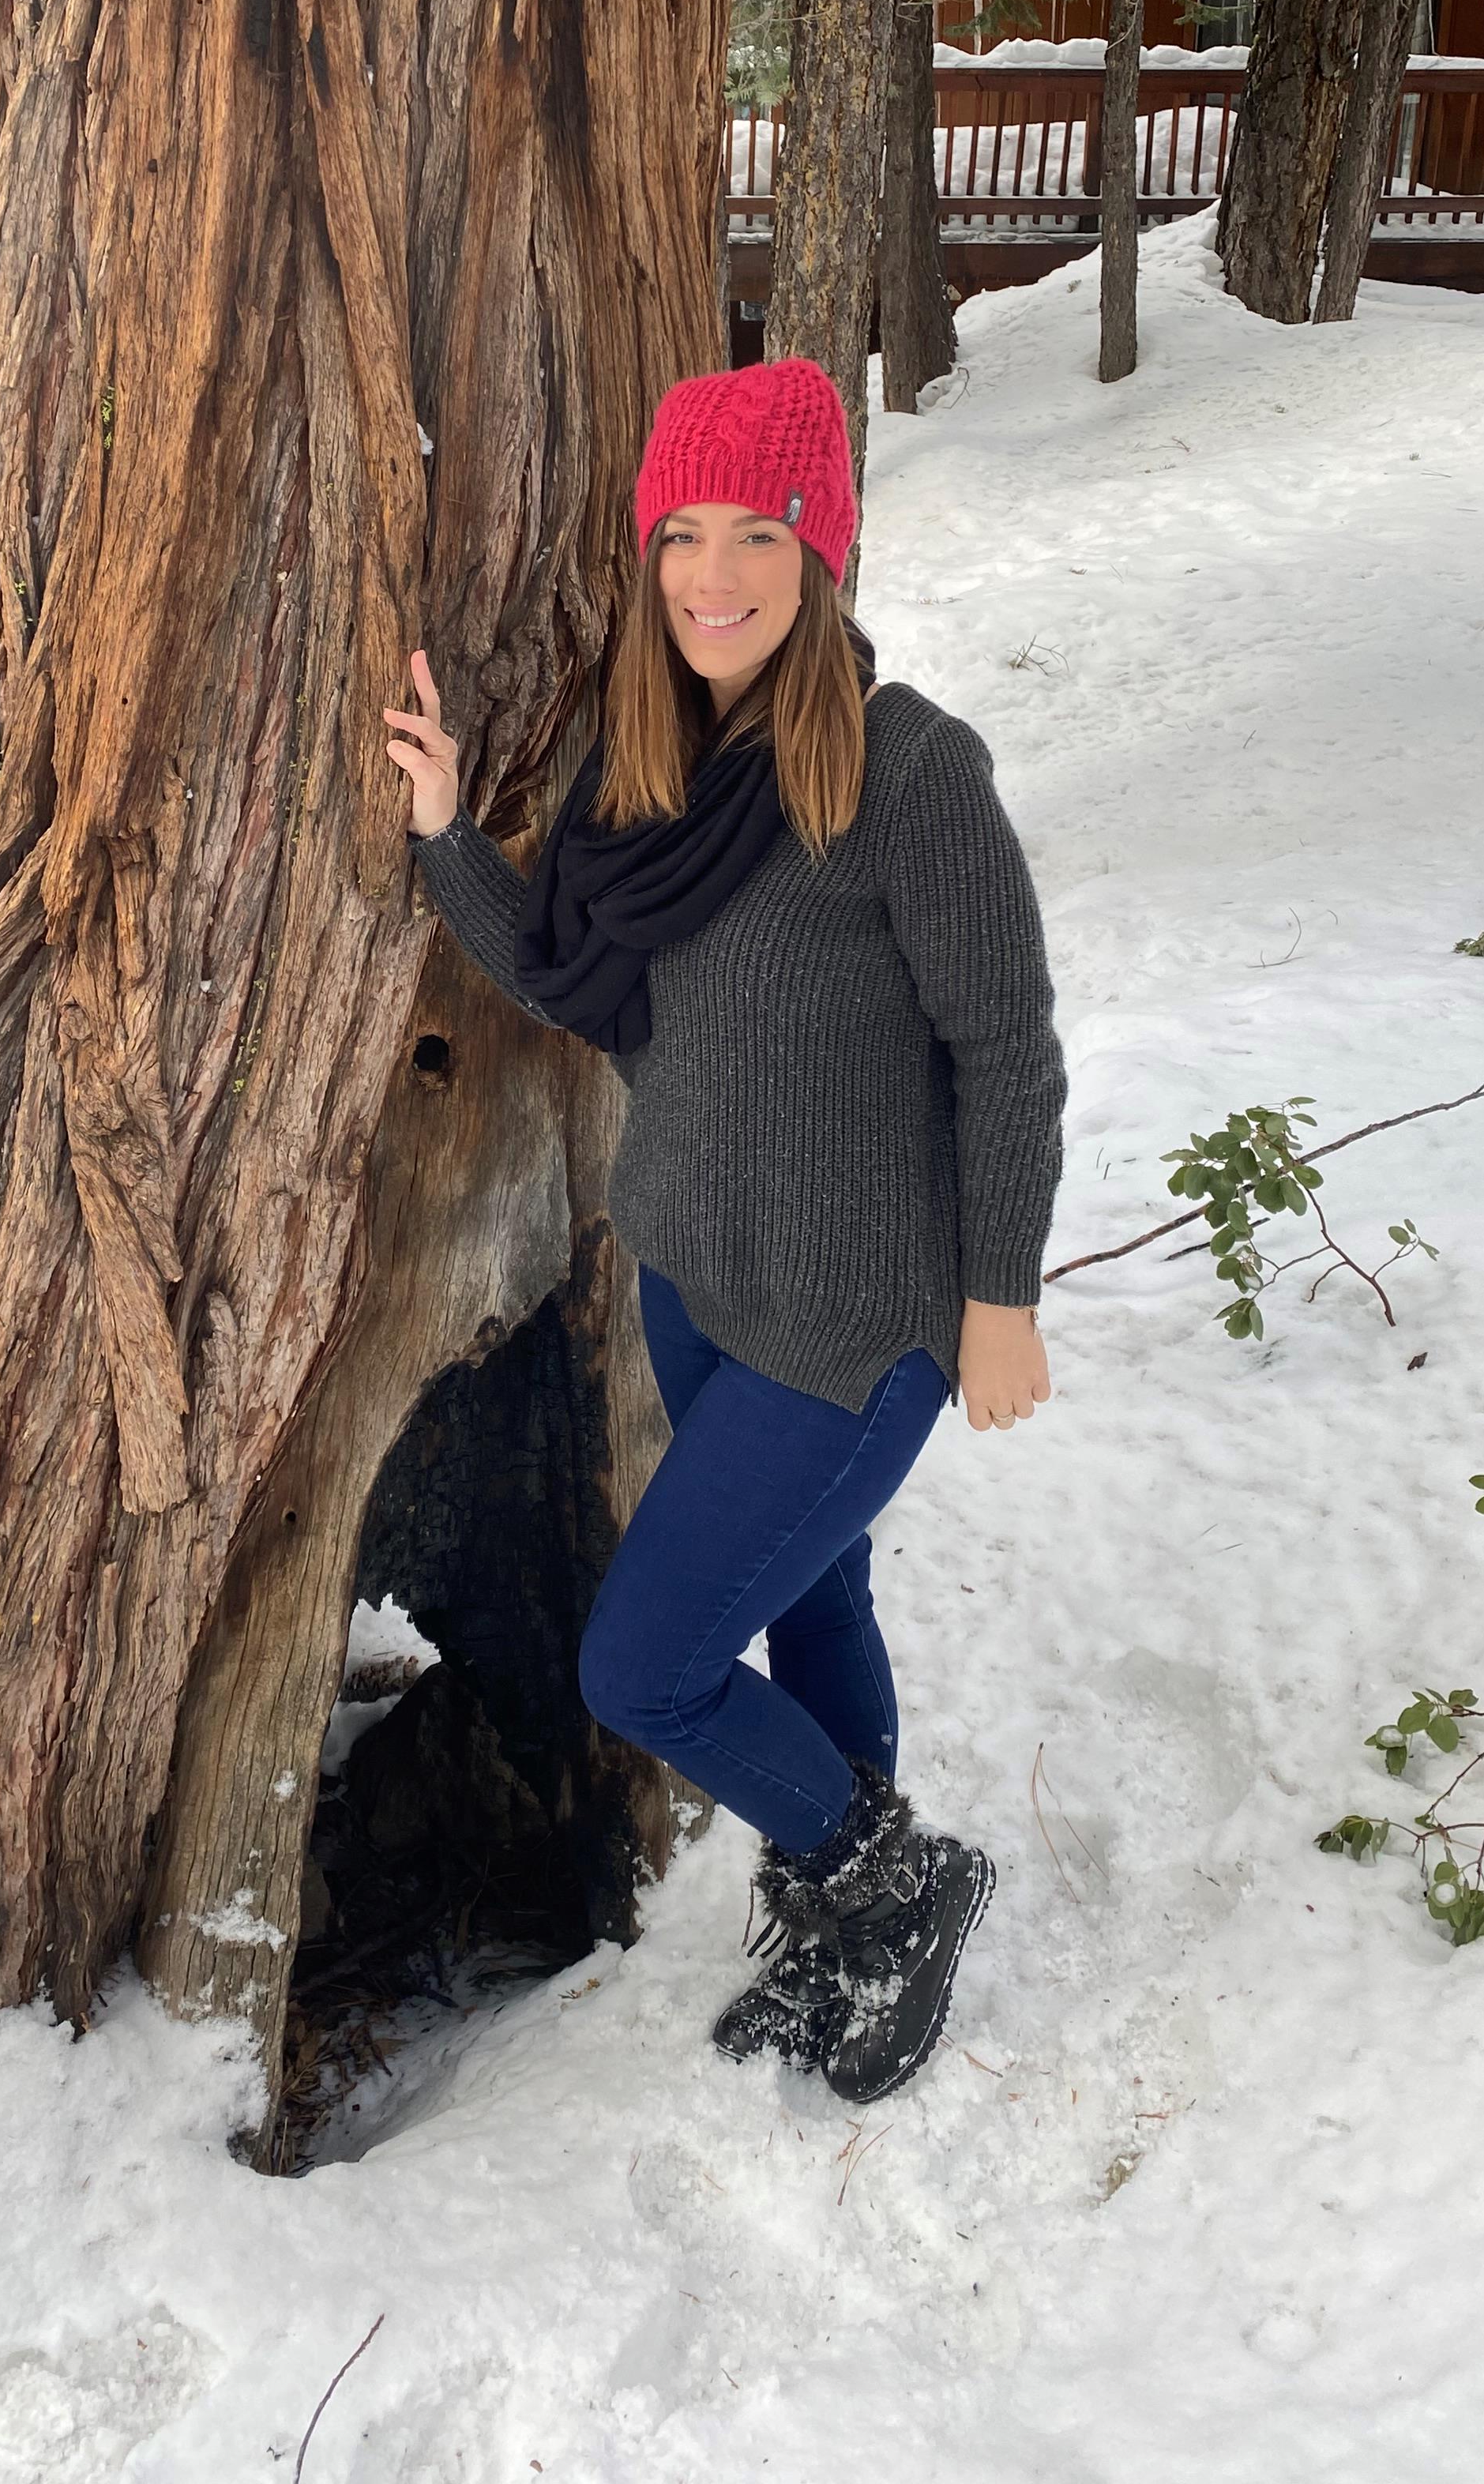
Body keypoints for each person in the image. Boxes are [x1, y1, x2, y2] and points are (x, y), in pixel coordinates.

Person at [381, 355, 1065, 2104]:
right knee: (814, 1600)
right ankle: (846, 1913)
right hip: (698, 1279)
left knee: (649, 1667)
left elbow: (1007, 1051)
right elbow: (583, 985)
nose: (711, 571)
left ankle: (894, 1886)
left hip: (861, 1325)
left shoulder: (911, 773)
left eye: (755, 529)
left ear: (817, 545)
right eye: (682, 530)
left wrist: (1001, 1299)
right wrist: (452, 835)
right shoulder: (651, 765)